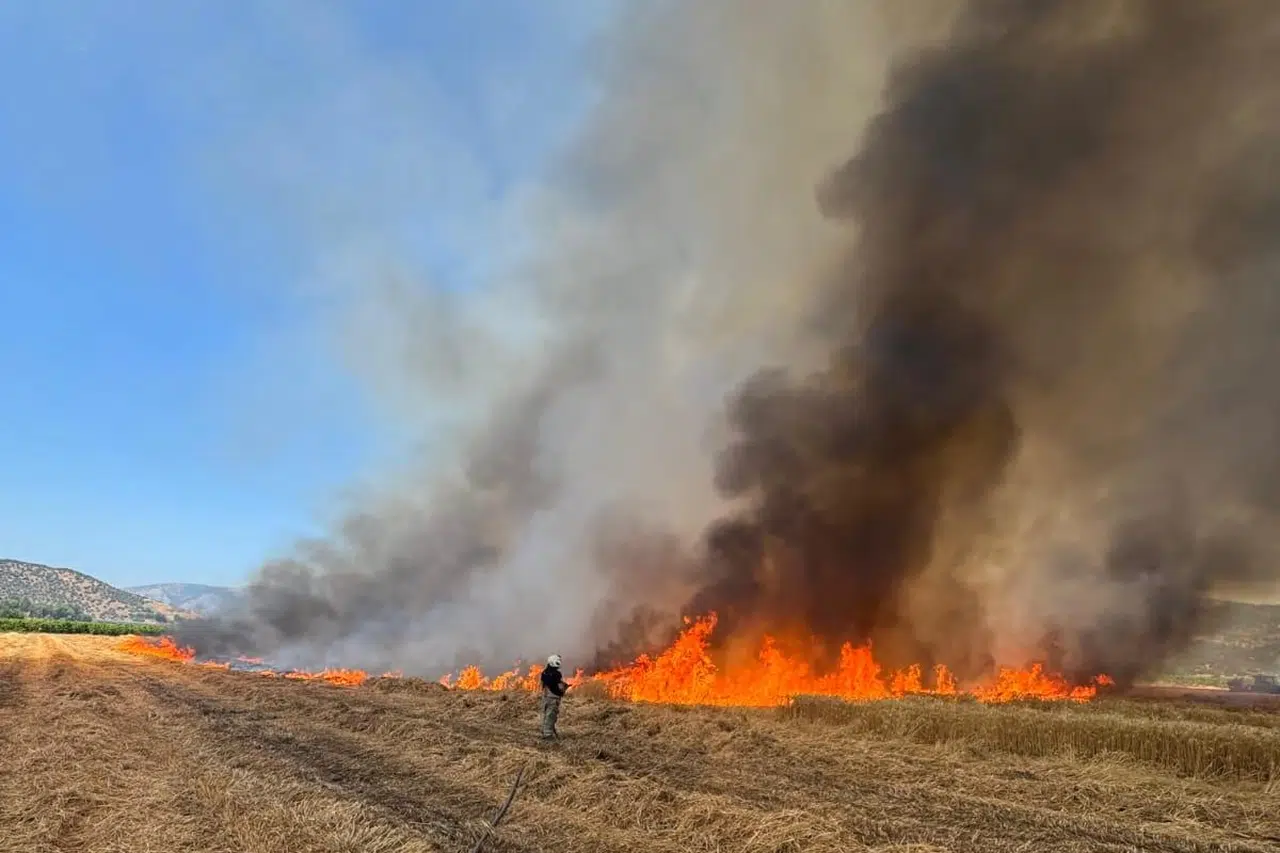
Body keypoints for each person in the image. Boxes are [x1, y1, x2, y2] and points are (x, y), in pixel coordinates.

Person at [540, 653, 568, 739]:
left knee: (547, 715)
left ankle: (547, 731)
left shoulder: (544, 673)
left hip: (546, 697)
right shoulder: (556, 674)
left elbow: (546, 684)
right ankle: (548, 735)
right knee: (551, 716)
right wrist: (563, 688)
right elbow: (557, 687)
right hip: (553, 698)